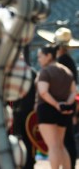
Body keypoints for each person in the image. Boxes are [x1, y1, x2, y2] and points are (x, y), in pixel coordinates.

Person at [37, 27, 79, 168]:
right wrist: (66, 104)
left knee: (55, 146)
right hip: (64, 109)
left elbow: (43, 92)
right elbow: (74, 90)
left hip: (51, 110)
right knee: (61, 145)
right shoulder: (67, 67)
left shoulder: (50, 70)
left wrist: (57, 104)